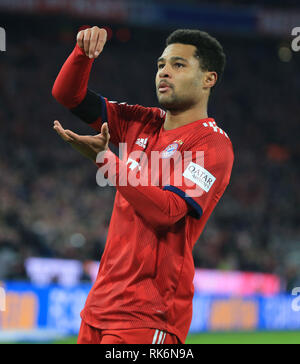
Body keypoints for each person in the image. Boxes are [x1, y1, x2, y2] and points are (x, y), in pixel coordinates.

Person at [52, 26, 234, 344]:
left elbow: (168, 211)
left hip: (149, 316)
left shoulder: (212, 145)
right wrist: (83, 54)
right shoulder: (141, 122)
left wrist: (106, 162)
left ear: (209, 79)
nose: (164, 72)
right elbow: (69, 96)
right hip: (98, 309)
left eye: (179, 65)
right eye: (161, 64)